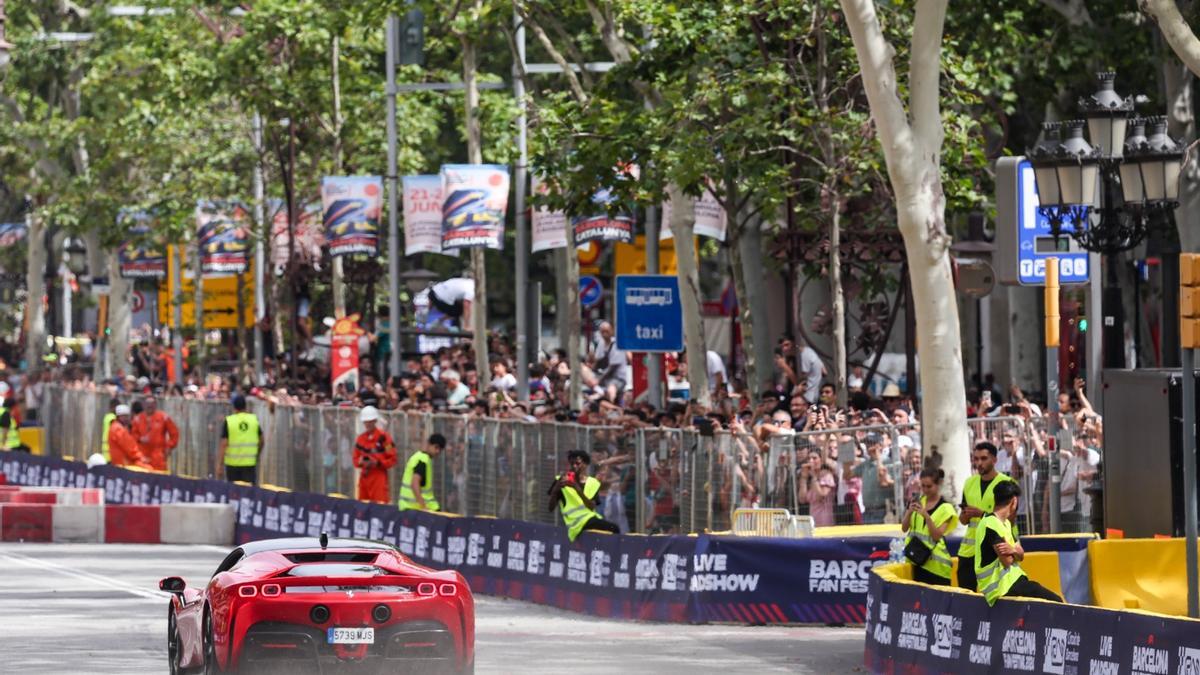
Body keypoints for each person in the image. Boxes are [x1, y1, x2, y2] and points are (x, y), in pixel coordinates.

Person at [974, 480, 1062, 604]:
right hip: (1002, 587)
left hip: (1013, 582)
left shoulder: (1006, 524)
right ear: (1014, 501)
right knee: (1056, 602)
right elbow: (1007, 560)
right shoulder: (990, 524)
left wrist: (1013, 550)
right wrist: (1015, 551)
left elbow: (1021, 555)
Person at [956, 441, 1015, 591]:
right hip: (969, 550)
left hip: (995, 547)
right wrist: (966, 515)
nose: (979, 463)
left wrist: (981, 514)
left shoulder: (1006, 483)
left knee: (996, 593)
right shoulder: (969, 483)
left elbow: (1011, 519)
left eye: (983, 458)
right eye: (976, 459)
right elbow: (962, 520)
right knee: (966, 595)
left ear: (994, 460)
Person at [546, 449, 621, 541]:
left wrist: (577, 488)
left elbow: (591, 507)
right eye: (571, 464)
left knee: (613, 529)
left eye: (577, 463)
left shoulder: (592, 483)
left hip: (589, 519)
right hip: (575, 525)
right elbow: (550, 508)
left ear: (585, 465)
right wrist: (555, 490)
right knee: (614, 529)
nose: (574, 466)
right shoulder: (560, 480)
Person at [900, 468, 958, 586]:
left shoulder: (946, 508)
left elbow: (937, 536)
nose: (925, 490)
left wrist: (927, 516)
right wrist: (909, 512)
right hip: (917, 561)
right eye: (923, 486)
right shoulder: (918, 501)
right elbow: (904, 528)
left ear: (938, 485)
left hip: (937, 568)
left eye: (929, 486)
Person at [353, 406, 398, 504]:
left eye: (370, 421)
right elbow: (355, 459)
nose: (367, 424)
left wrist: (377, 463)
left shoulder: (384, 438)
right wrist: (360, 462)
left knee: (380, 507)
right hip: (364, 477)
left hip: (379, 477)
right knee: (362, 506)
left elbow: (393, 459)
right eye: (366, 421)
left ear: (375, 421)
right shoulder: (360, 439)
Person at [217, 394, 263, 484]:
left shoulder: (229, 421)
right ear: (245, 406)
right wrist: (257, 454)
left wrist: (220, 464)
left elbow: (224, 444)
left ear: (234, 407)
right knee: (249, 494)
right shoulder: (253, 419)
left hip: (232, 465)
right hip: (249, 464)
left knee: (234, 494)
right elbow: (262, 440)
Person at [131, 395, 179, 471]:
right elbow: (132, 436)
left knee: (159, 478)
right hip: (142, 456)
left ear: (155, 405)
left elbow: (174, 433)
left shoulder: (163, 417)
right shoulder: (137, 419)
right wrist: (140, 439)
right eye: (147, 404)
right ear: (144, 405)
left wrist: (170, 446)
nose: (150, 406)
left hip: (158, 456)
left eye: (152, 404)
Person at [399, 433, 443, 511]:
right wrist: (423, 507)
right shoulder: (423, 460)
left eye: (440, 449)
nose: (437, 451)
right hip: (415, 507)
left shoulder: (418, 457)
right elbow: (414, 483)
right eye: (436, 447)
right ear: (429, 444)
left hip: (408, 506)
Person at [107, 404, 150, 469]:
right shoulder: (119, 429)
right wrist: (141, 458)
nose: (127, 419)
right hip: (124, 464)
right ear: (119, 417)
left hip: (119, 464)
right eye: (125, 416)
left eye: (127, 416)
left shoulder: (115, 426)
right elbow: (130, 448)